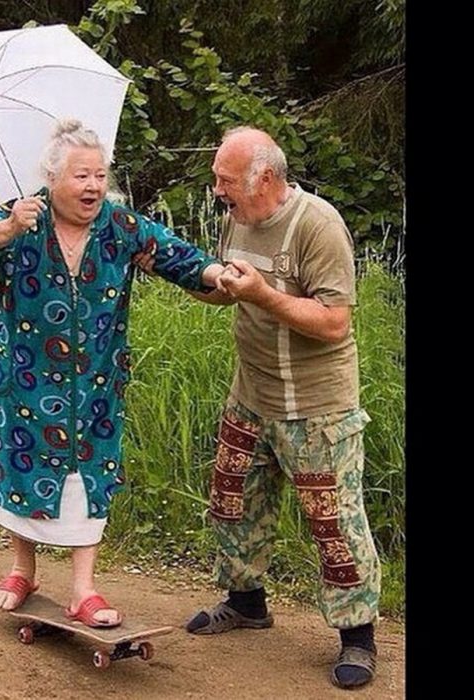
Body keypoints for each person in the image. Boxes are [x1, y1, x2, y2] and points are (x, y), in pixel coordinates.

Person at [0, 119, 225, 629]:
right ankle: (21, 569)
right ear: (53, 179)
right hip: (21, 378)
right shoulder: (19, 216)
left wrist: (218, 274)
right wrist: (4, 230)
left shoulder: (120, 226)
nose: (94, 185)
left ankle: (83, 589)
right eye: (81, 176)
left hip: (95, 381)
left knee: (87, 474)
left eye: (99, 175)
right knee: (20, 467)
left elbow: (179, 257)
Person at [171, 126, 380, 689]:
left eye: (226, 180)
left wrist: (264, 294)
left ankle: (357, 637)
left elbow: (335, 323)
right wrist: (179, 270)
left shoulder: (318, 225)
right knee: (233, 501)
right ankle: (245, 603)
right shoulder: (234, 219)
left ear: (264, 177)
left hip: (317, 406)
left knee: (333, 521)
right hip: (251, 394)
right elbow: (223, 290)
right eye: (217, 178)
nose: (218, 190)